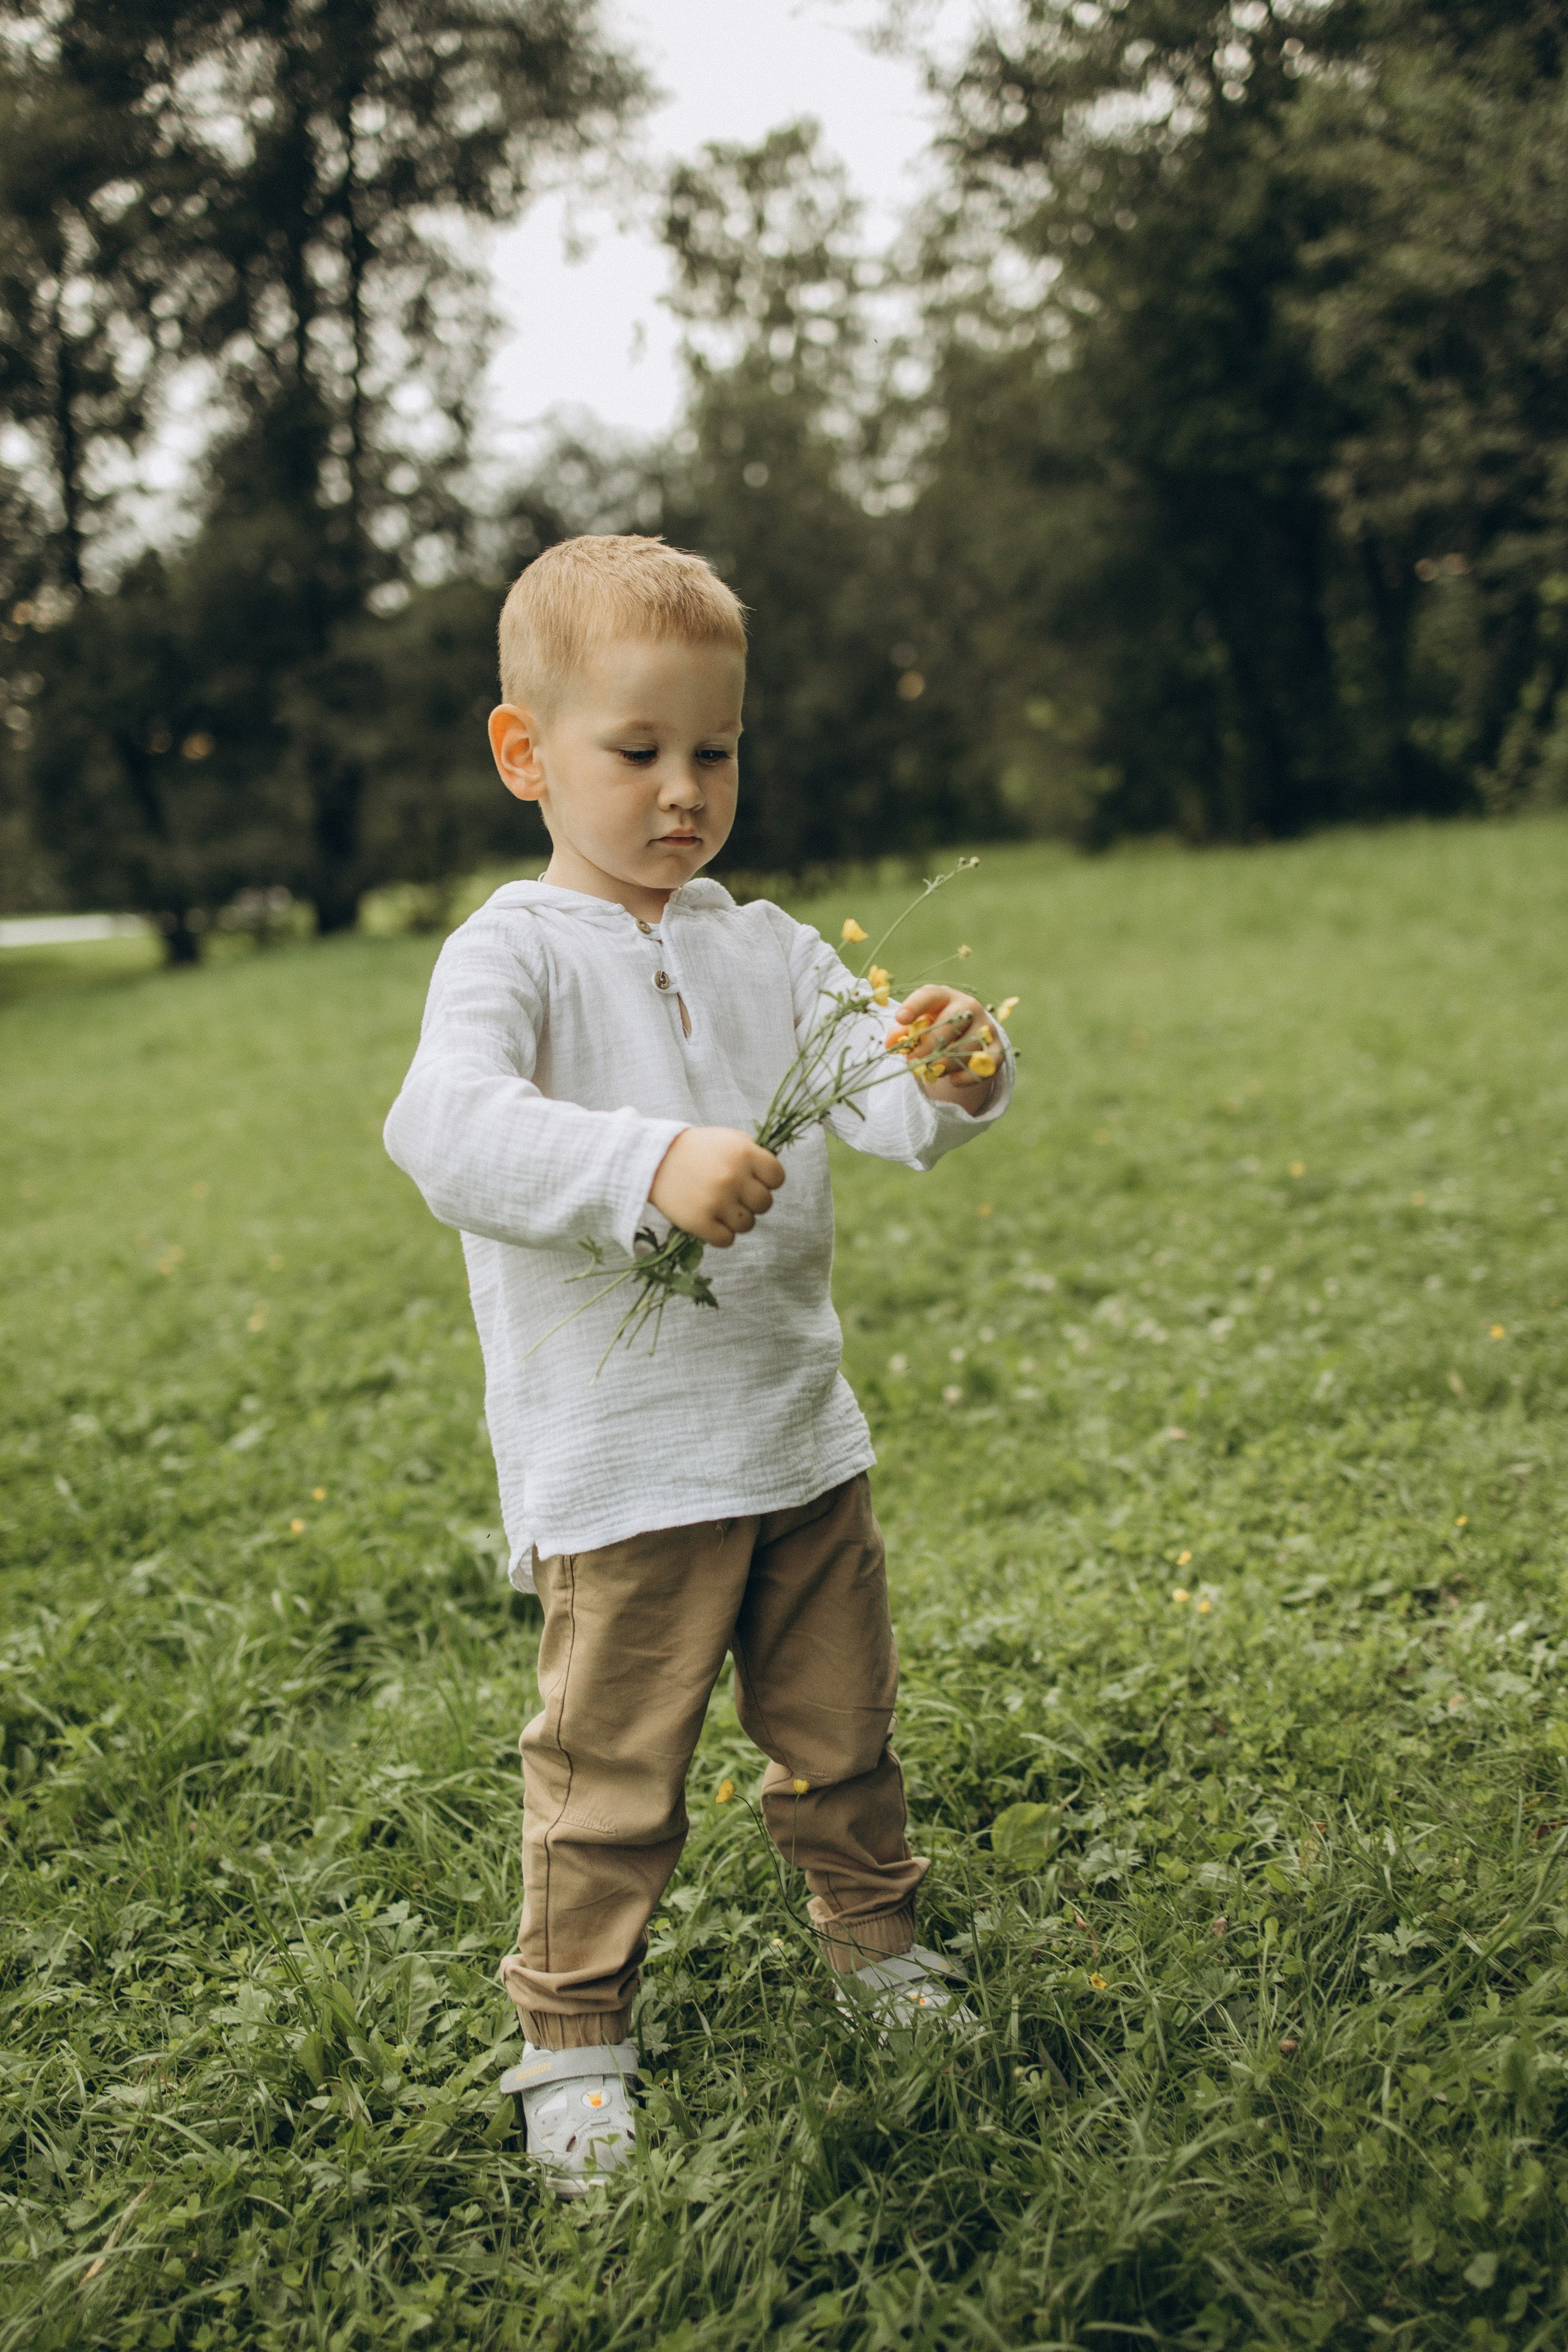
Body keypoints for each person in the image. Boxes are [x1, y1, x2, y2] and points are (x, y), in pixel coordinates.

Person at [383, 535, 1013, 2195]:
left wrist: (946, 1070)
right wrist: (643, 1161)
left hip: (796, 1437)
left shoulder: (768, 945)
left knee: (841, 1732)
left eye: (716, 751)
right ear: (527, 754)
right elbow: (444, 1131)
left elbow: (872, 1095)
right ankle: (575, 2031)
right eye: (638, 751)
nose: (685, 791)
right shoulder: (509, 953)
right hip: (627, 1464)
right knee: (609, 1779)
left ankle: (876, 1943)